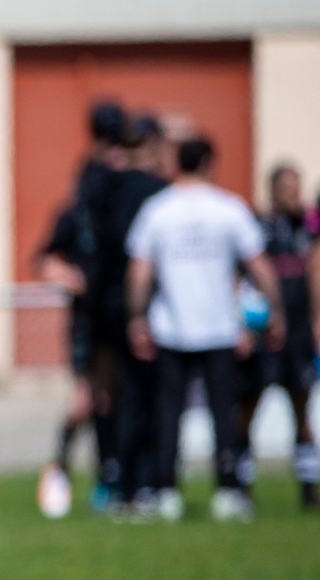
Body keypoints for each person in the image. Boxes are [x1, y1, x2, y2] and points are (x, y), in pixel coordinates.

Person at [124, 135, 284, 522]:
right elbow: (260, 267)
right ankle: (228, 491)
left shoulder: (158, 210)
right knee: (221, 414)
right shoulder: (228, 209)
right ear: (210, 163)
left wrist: (137, 318)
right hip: (218, 328)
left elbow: (140, 272)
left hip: (171, 328)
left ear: (178, 162)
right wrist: (276, 311)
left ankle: (166, 492)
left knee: (169, 414)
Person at [35, 100, 130, 517]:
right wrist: (72, 278)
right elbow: (44, 259)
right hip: (87, 317)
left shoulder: (125, 190)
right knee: (83, 401)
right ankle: (58, 467)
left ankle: (109, 480)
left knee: (108, 399)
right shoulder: (80, 206)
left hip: (115, 311)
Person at [97, 112, 174, 516]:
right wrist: (139, 314)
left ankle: (116, 484)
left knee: (116, 397)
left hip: (108, 308)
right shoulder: (160, 195)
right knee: (149, 399)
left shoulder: (104, 188)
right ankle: (146, 484)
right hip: (145, 309)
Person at [234, 163, 317, 508]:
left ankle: (309, 490)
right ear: (273, 191)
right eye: (288, 189)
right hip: (264, 335)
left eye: (298, 188)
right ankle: (241, 487)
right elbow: (243, 279)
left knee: (302, 411)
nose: (295, 196)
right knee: (247, 411)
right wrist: (246, 327)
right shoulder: (257, 228)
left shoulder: (309, 228)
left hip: (298, 335)